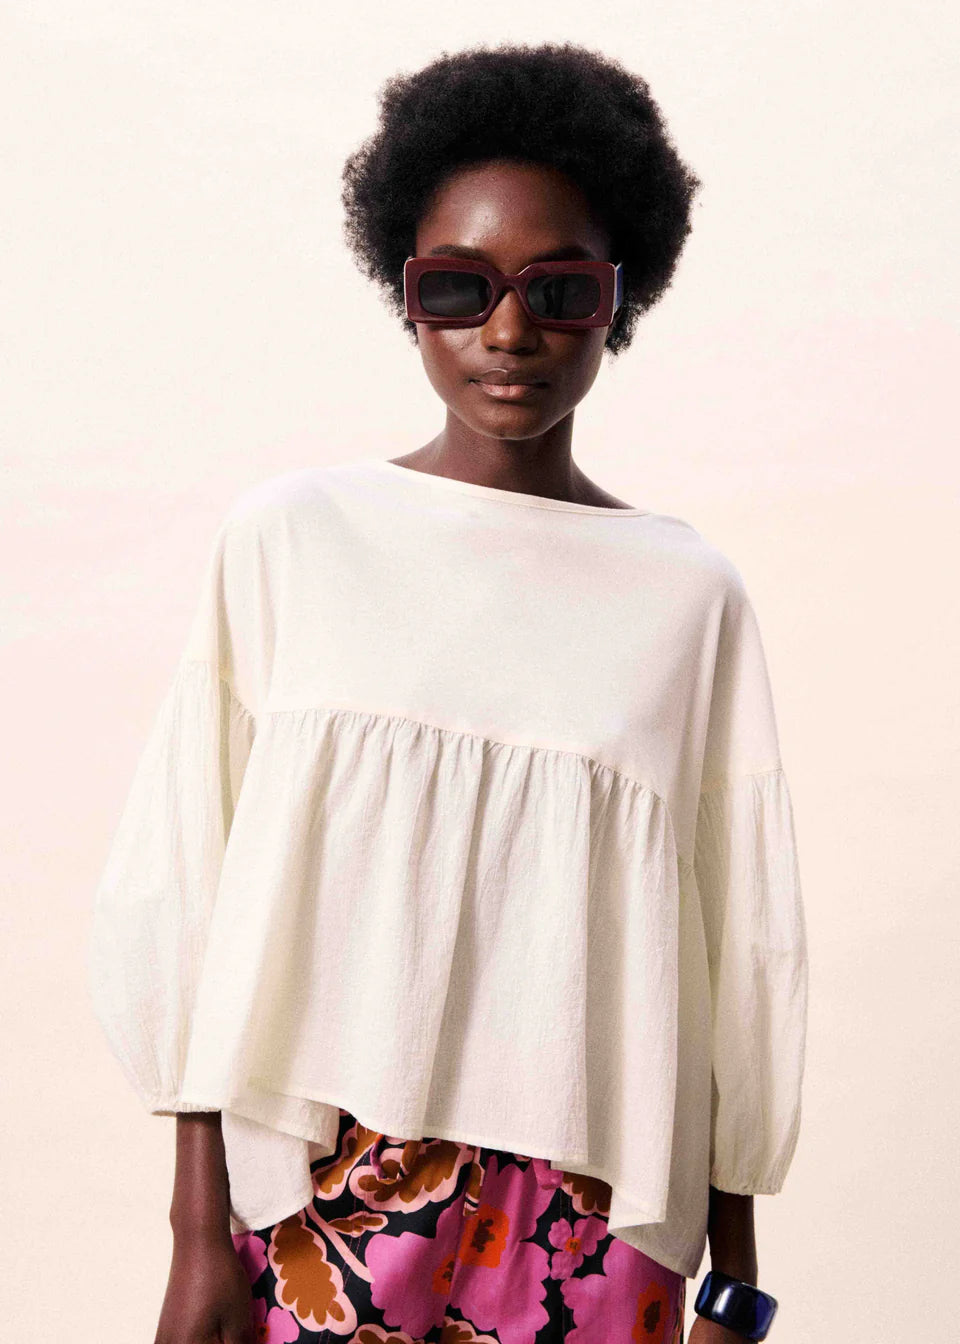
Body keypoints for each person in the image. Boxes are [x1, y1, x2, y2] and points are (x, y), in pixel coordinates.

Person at [87, 41, 808, 1344]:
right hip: (321, 1206)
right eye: (461, 287)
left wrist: (736, 1286)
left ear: (619, 301)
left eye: (562, 290)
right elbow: (193, 891)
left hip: (599, 1230)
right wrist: (196, 1236)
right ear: (405, 295)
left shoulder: (689, 597)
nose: (509, 332)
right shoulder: (293, 541)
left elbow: (736, 961)